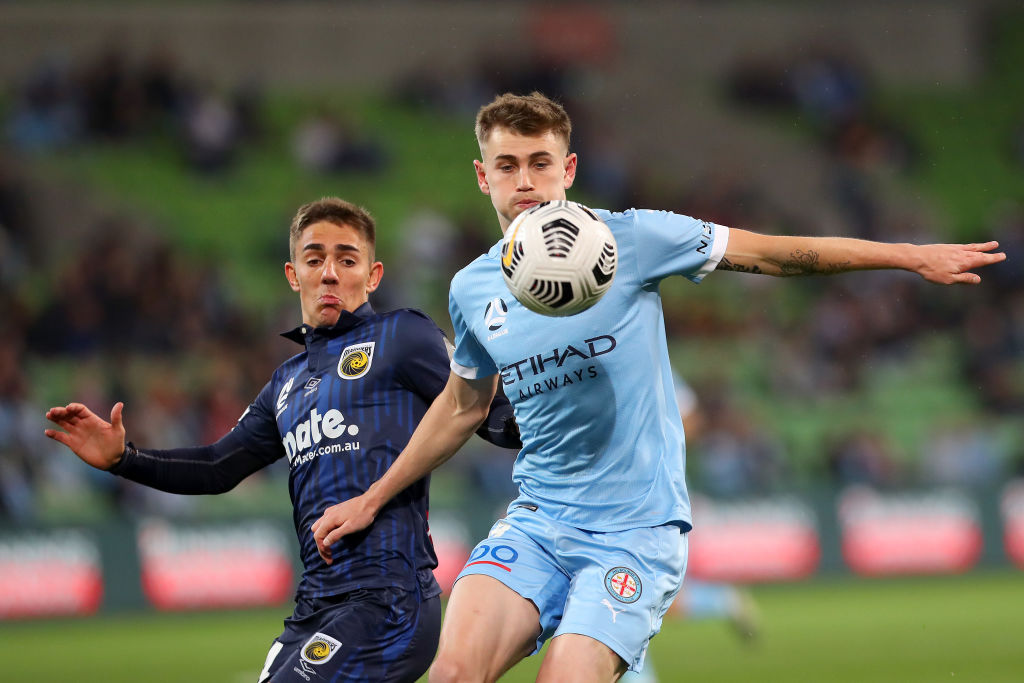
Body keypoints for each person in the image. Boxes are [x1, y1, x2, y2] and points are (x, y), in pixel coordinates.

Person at [310, 93, 1006, 682]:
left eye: (540, 162)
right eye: (507, 165)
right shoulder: (472, 288)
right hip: (539, 521)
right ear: (483, 176)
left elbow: (772, 253)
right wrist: (373, 497)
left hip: (634, 534)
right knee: (453, 671)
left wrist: (907, 256)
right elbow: (463, 405)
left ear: (568, 170)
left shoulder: (635, 240)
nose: (524, 180)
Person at [44, 197, 520, 683]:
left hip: (388, 602)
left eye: (347, 259)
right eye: (315, 259)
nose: (330, 273)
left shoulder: (404, 335)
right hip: (315, 609)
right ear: (293, 275)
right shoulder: (286, 383)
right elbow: (217, 466)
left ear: (373, 276)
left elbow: (490, 415)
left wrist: (554, 413)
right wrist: (125, 459)